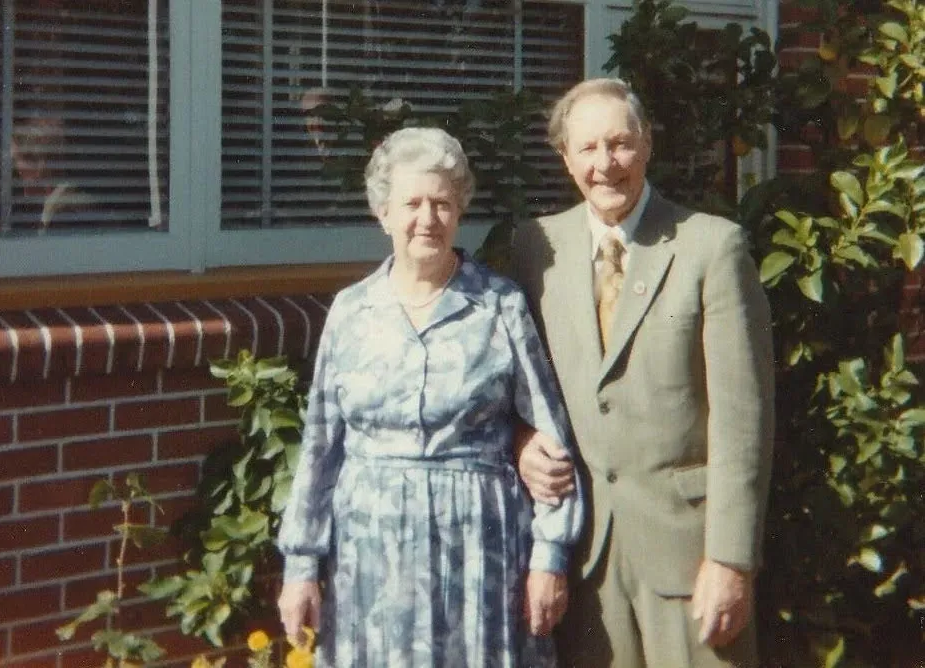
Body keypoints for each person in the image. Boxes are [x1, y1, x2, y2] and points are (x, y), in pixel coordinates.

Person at [277, 126, 584, 667]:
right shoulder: (352, 311)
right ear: (383, 214)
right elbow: (321, 448)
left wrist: (550, 555)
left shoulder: (499, 306)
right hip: (370, 559)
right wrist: (301, 566)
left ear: (460, 211)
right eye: (412, 204)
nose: (428, 218)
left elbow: (551, 439)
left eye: (442, 203)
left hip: (479, 553)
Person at [509, 78, 775, 667]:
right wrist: (522, 441)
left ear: (647, 144)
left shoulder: (711, 247)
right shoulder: (537, 247)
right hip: (585, 555)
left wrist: (731, 559)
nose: (605, 164)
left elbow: (743, 419)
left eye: (620, 143)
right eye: (587, 148)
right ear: (566, 158)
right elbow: (516, 387)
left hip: (689, 555)